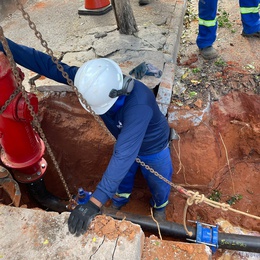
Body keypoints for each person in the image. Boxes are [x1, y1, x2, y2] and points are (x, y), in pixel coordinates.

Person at [0, 38, 174, 237]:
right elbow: (46, 64)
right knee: (122, 178)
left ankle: (160, 208)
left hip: (153, 147)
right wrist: (5, 45)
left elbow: (124, 154)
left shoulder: (139, 105)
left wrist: (94, 203)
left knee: (159, 181)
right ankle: (119, 200)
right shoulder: (94, 82)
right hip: (125, 142)